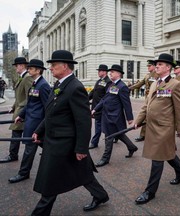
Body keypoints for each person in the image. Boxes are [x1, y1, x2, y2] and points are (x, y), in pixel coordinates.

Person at [31, 50, 109, 215]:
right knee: (82, 172)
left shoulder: (75, 87)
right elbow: (51, 112)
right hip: (54, 140)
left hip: (64, 143)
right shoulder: (58, 85)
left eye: (53, 65)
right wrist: (39, 130)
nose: (50, 68)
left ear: (65, 66)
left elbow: (83, 121)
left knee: (50, 182)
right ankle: (100, 195)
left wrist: (81, 148)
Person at [134, 53, 180, 205]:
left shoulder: (175, 85)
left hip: (164, 128)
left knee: (157, 158)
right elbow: (147, 105)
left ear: (168, 67)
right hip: (152, 126)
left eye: (160, 64)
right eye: (156, 64)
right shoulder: (154, 83)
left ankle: (149, 192)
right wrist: (138, 121)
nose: (156, 66)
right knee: (168, 153)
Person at [8, 59, 51, 183]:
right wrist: (21, 115)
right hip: (31, 122)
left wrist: (41, 128)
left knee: (29, 150)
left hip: (37, 125)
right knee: (49, 148)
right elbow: (30, 103)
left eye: (31, 68)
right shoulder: (34, 84)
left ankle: (23, 173)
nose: (28, 70)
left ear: (38, 70)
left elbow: (47, 108)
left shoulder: (43, 86)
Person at [93, 64, 138, 167]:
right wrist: (95, 109)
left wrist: (130, 118)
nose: (110, 73)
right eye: (110, 72)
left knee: (109, 136)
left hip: (114, 117)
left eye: (112, 72)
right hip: (107, 114)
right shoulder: (111, 85)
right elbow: (105, 99)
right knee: (119, 134)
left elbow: (126, 103)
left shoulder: (122, 87)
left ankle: (105, 159)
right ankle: (132, 147)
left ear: (118, 74)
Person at [0, 57, 33, 163]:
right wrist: (13, 107)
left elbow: (30, 97)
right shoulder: (22, 77)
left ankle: (12, 155)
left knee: (17, 133)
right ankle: (13, 155)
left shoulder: (27, 77)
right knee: (18, 133)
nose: (15, 68)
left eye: (16, 66)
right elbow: (19, 97)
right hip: (19, 109)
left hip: (23, 110)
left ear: (22, 66)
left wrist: (23, 112)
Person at [129, 60, 158, 142]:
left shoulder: (157, 75)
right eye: (147, 66)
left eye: (149, 66)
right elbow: (140, 83)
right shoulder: (147, 75)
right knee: (146, 115)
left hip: (155, 98)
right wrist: (130, 88)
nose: (148, 67)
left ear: (154, 66)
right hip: (147, 98)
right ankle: (143, 135)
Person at [88, 64, 112, 149]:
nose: (98, 72)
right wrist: (86, 98)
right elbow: (93, 92)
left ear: (105, 72)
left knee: (98, 126)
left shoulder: (108, 82)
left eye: (100, 71)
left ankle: (94, 142)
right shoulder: (98, 81)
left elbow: (108, 96)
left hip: (102, 108)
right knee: (101, 126)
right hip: (96, 107)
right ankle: (117, 136)